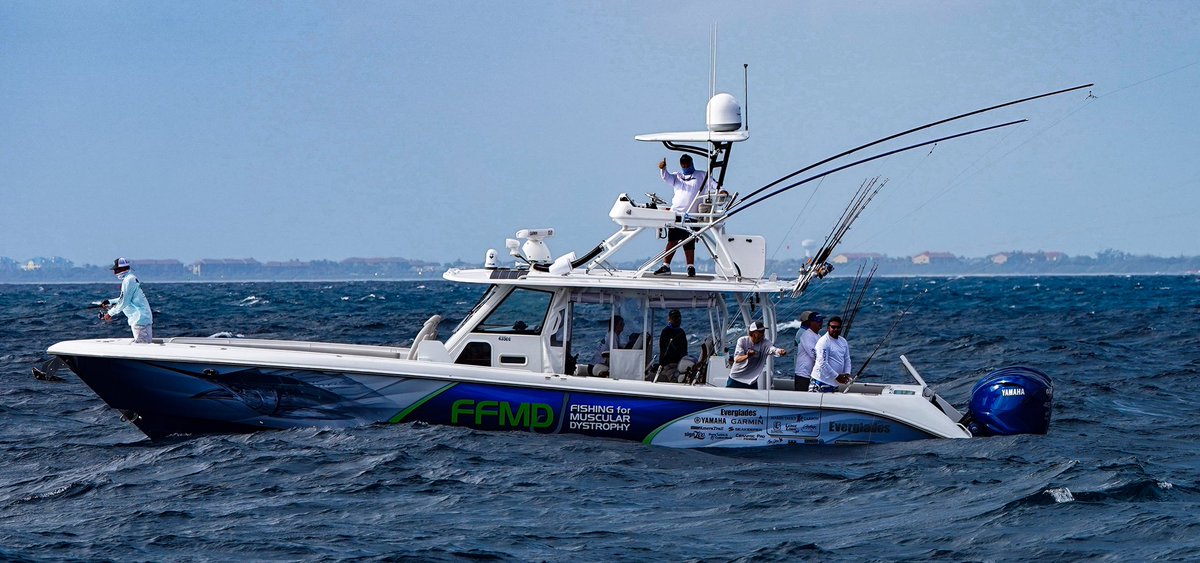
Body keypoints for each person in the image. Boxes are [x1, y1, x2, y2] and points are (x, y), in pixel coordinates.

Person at [654, 154, 717, 277]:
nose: (685, 165)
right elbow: (666, 177)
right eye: (683, 163)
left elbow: (715, 184)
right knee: (672, 241)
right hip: (676, 213)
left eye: (687, 163)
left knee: (689, 242)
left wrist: (722, 190)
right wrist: (663, 168)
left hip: (691, 215)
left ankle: (690, 267)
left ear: (691, 163)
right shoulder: (677, 176)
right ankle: (666, 266)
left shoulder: (701, 175)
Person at [100, 257, 154, 343]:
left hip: (139, 319)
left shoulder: (128, 280)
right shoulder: (130, 279)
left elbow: (124, 302)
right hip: (143, 318)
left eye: (116, 270)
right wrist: (110, 302)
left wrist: (109, 314)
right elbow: (126, 298)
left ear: (123, 269)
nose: (114, 273)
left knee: (142, 348)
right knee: (146, 344)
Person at [727, 321, 786, 389]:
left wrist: (779, 351)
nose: (763, 333)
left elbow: (772, 349)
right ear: (754, 333)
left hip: (751, 381)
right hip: (736, 379)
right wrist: (747, 356)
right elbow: (737, 359)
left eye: (763, 331)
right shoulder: (742, 341)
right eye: (760, 332)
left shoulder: (765, 343)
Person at [810, 316, 851, 392]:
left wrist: (847, 373)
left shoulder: (843, 341)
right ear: (828, 328)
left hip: (834, 384)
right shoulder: (823, 342)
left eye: (838, 327)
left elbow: (847, 359)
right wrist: (837, 376)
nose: (836, 329)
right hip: (821, 383)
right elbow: (822, 363)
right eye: (833, 327)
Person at [793, 311, 823, 392]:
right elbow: (814, 354)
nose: (820, 323)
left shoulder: (817, 335)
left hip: (811, 374)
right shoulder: (804, 333)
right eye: (818, 321)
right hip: (803, 374)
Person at [655, 309, 688, 381]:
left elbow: (684, 350)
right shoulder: (666, 332)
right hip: (668, 366)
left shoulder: (681, 332)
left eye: (679, 318)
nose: (677, 320)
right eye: (675, 318)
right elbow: (671, 351)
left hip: (680, 364)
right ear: (669, 319)